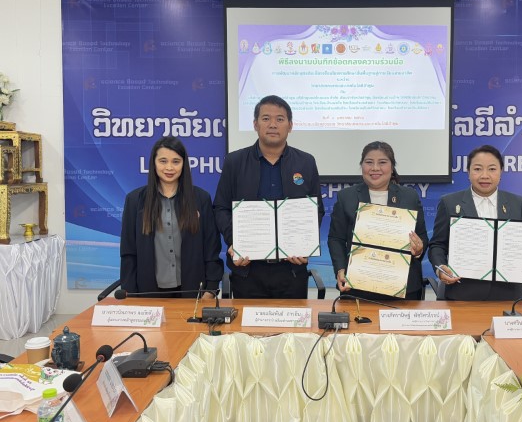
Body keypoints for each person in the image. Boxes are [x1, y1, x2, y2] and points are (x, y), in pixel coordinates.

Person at [213, 95, 324, 298]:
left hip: (291, 270)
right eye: (266, 118)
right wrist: (235, 242)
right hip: (247, 269)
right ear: (255, 124)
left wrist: (303, 245)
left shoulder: (306, 162)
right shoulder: (234, 162)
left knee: (293, 320)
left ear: (290, 126)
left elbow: (316, 210)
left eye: (280, 119)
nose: (273, 124)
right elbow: (221, 208)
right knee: (246, 321)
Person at [428, 144, 522, 301]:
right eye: (477, 169)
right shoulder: (449, 203)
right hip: (462, 294)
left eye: (492, 169)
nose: (484, 175)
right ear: (468, 172)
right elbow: (437, 245)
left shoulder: (517, 203)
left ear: (501, 172)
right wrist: (440, 268)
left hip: (507, 295)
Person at [120, 136, 224, 298]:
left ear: (184, 164)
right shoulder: (135, 200)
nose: (169, 167)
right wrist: (129, 290)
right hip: (148, 291)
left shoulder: (201, 199)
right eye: (163, 161)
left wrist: (211, 288)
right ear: (154, 163)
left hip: (192, 291)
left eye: (176, 161)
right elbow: (128, 250)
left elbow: (211, 248)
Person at [328, 141, 428, 300]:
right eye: (369, 162)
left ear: (392, 167)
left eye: (382, 162)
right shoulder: (346, 197)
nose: (375, 168)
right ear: (361, 166)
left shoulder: (409, 197)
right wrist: (340, 269)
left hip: (403, 288)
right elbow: (336, 238)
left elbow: (422, 236)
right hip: (358, 286)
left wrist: (419, 249)